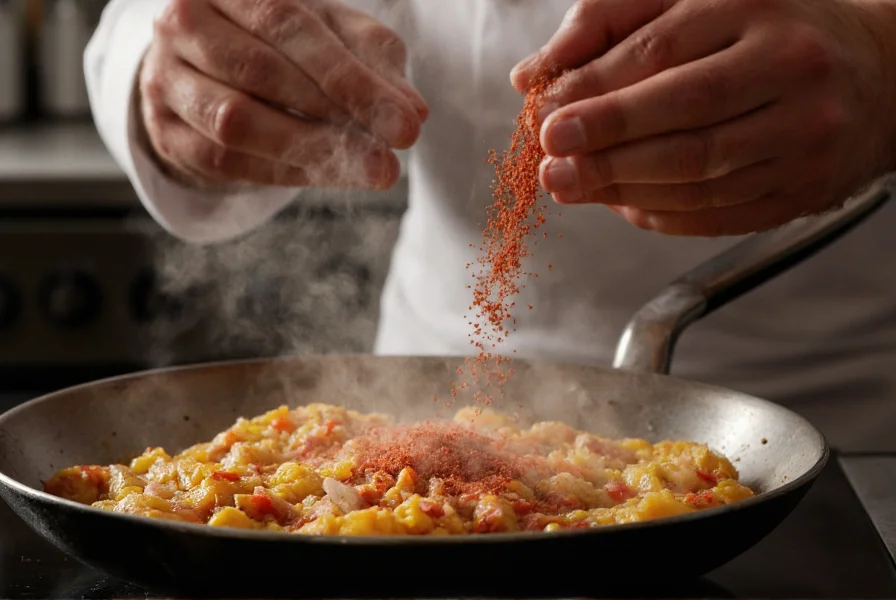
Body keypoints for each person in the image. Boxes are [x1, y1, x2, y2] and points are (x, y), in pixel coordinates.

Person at [85, 0, 896, 451]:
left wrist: (884, 58)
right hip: (404, 417)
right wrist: (176, 69)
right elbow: (164, 15)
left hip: (839, 438)